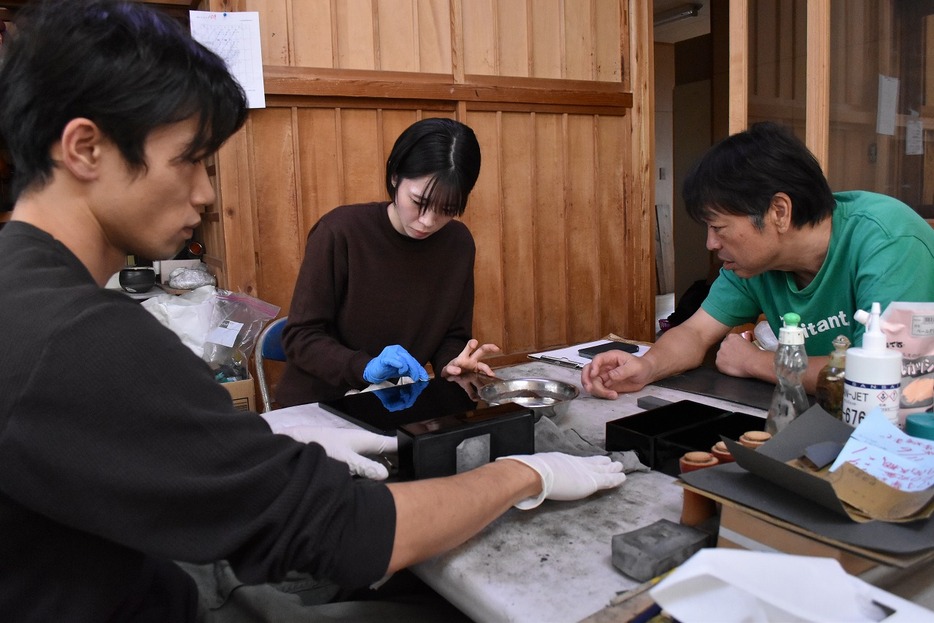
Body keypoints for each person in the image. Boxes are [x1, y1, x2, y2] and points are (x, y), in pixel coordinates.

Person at [0, 2, 627, 621]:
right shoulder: (81, 337)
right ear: (85, 148)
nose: (205, 192)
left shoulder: (28, 293)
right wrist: (525, 473)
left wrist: (272, 439)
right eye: (189, 159)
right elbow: (345, 531)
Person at [584, 121, 934, 399]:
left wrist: (758, 362)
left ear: (779, 211)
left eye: (719, 227)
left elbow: (880, 376)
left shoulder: (889, 242)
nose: (710, 243)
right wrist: (647, 367)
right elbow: (694, 332)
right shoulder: (754, 265)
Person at [276, 117, 499, 407]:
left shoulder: (457, 243)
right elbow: (299, 336)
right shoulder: (340, 232)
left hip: (397, 405)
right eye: (419, 202)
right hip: (319, 405)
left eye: (447, 210)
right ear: (395, 176)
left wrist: (451, 363)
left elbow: (453, 334)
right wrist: (364, 368)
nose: (428, 221)